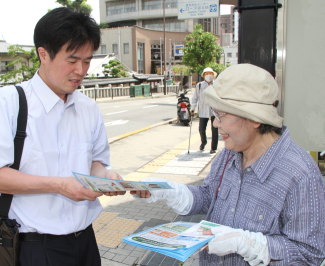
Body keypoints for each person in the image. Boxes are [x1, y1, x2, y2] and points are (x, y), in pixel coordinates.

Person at [0, 7, 125, 266]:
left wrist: (107, 178)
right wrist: (60, 185)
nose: (81, 70)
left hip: (85, 242)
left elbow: (96, 163)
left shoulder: (89, 108)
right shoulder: (11, 102)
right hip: (34, 247)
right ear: (43, 54)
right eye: (72, 60)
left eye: (87, 61)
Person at [132, 64, 325, 265]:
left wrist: (249, 244)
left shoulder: (302, 176)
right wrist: (172, 191)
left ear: (255, 118)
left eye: (221, 115)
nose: (215, 123)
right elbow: (210, 195)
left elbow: (308, 254)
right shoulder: (230, 153)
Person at [191, 67, 219, 154]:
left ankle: (213, 147)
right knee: (201, 129)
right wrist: (193, 108)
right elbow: (194, 97)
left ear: (213, 75)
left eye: (210, 74)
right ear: (203, 75)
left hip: (214, 110)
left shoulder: (217, 85)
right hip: (203, 110)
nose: (208, 75)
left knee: (214, 130)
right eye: (206, 74)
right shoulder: (199, 85)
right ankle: (203, 142)